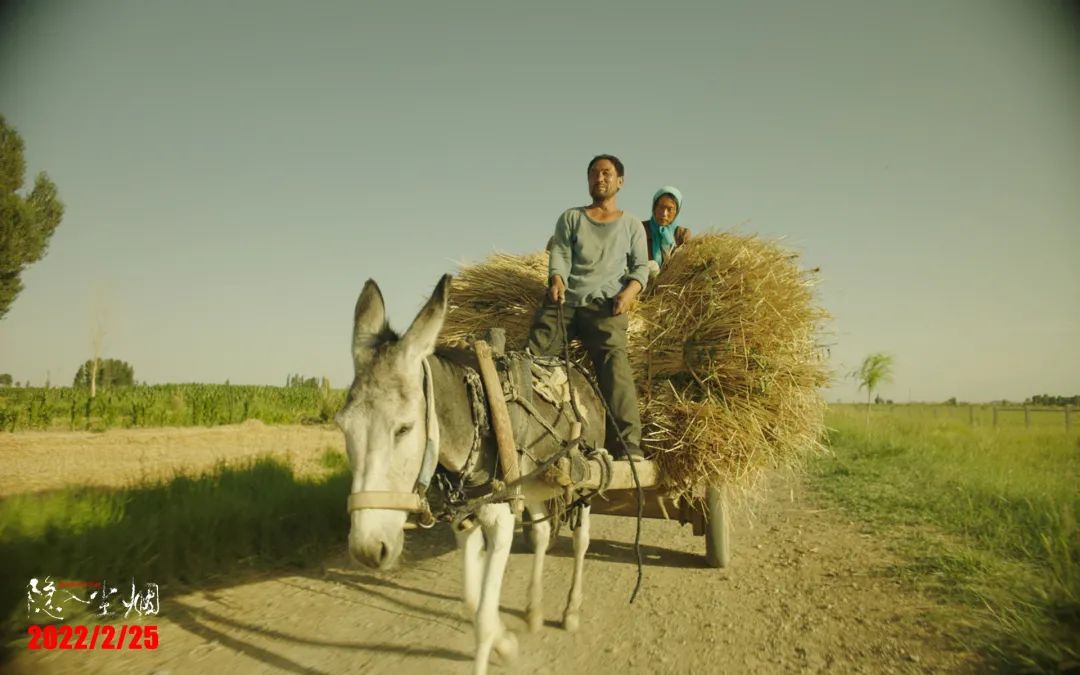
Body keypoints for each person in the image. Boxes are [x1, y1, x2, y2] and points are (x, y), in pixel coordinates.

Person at [527, 154, 649, 461]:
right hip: (565, 302)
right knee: (532, 359)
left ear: (620, 181)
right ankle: (524, 433)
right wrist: (556, 280)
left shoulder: (632, 225)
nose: (600, 178)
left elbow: (640, 268)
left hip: (606, 304)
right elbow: (561, 256)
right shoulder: (571, 218)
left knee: (614, 366)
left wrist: (628, 294)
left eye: (607, 173)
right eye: (594, 173)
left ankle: (628, 446)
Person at [642, 186, 691, 276]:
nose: (664, 213)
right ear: (654, 207)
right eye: (661, 207)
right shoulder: (641, 229)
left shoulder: (682, 234)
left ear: (677, 211)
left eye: (670, 209)